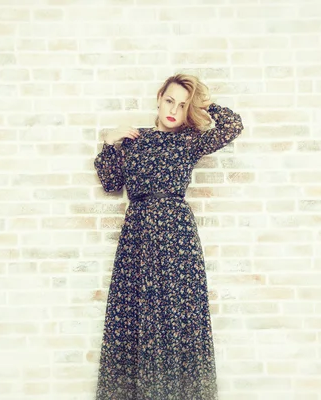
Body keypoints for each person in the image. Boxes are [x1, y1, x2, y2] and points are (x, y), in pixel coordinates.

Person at [93, 73, 244, 399]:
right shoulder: (135, 140)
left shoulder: (189, 140)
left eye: (182, 104)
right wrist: (109, 142)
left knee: (178, 319)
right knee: (137, 316)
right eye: (170, 100)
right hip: (138, 236)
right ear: (159, 98)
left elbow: (232, 126)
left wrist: (204, 104)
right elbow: (111, 183)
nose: (174, 109)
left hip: (178, 238)